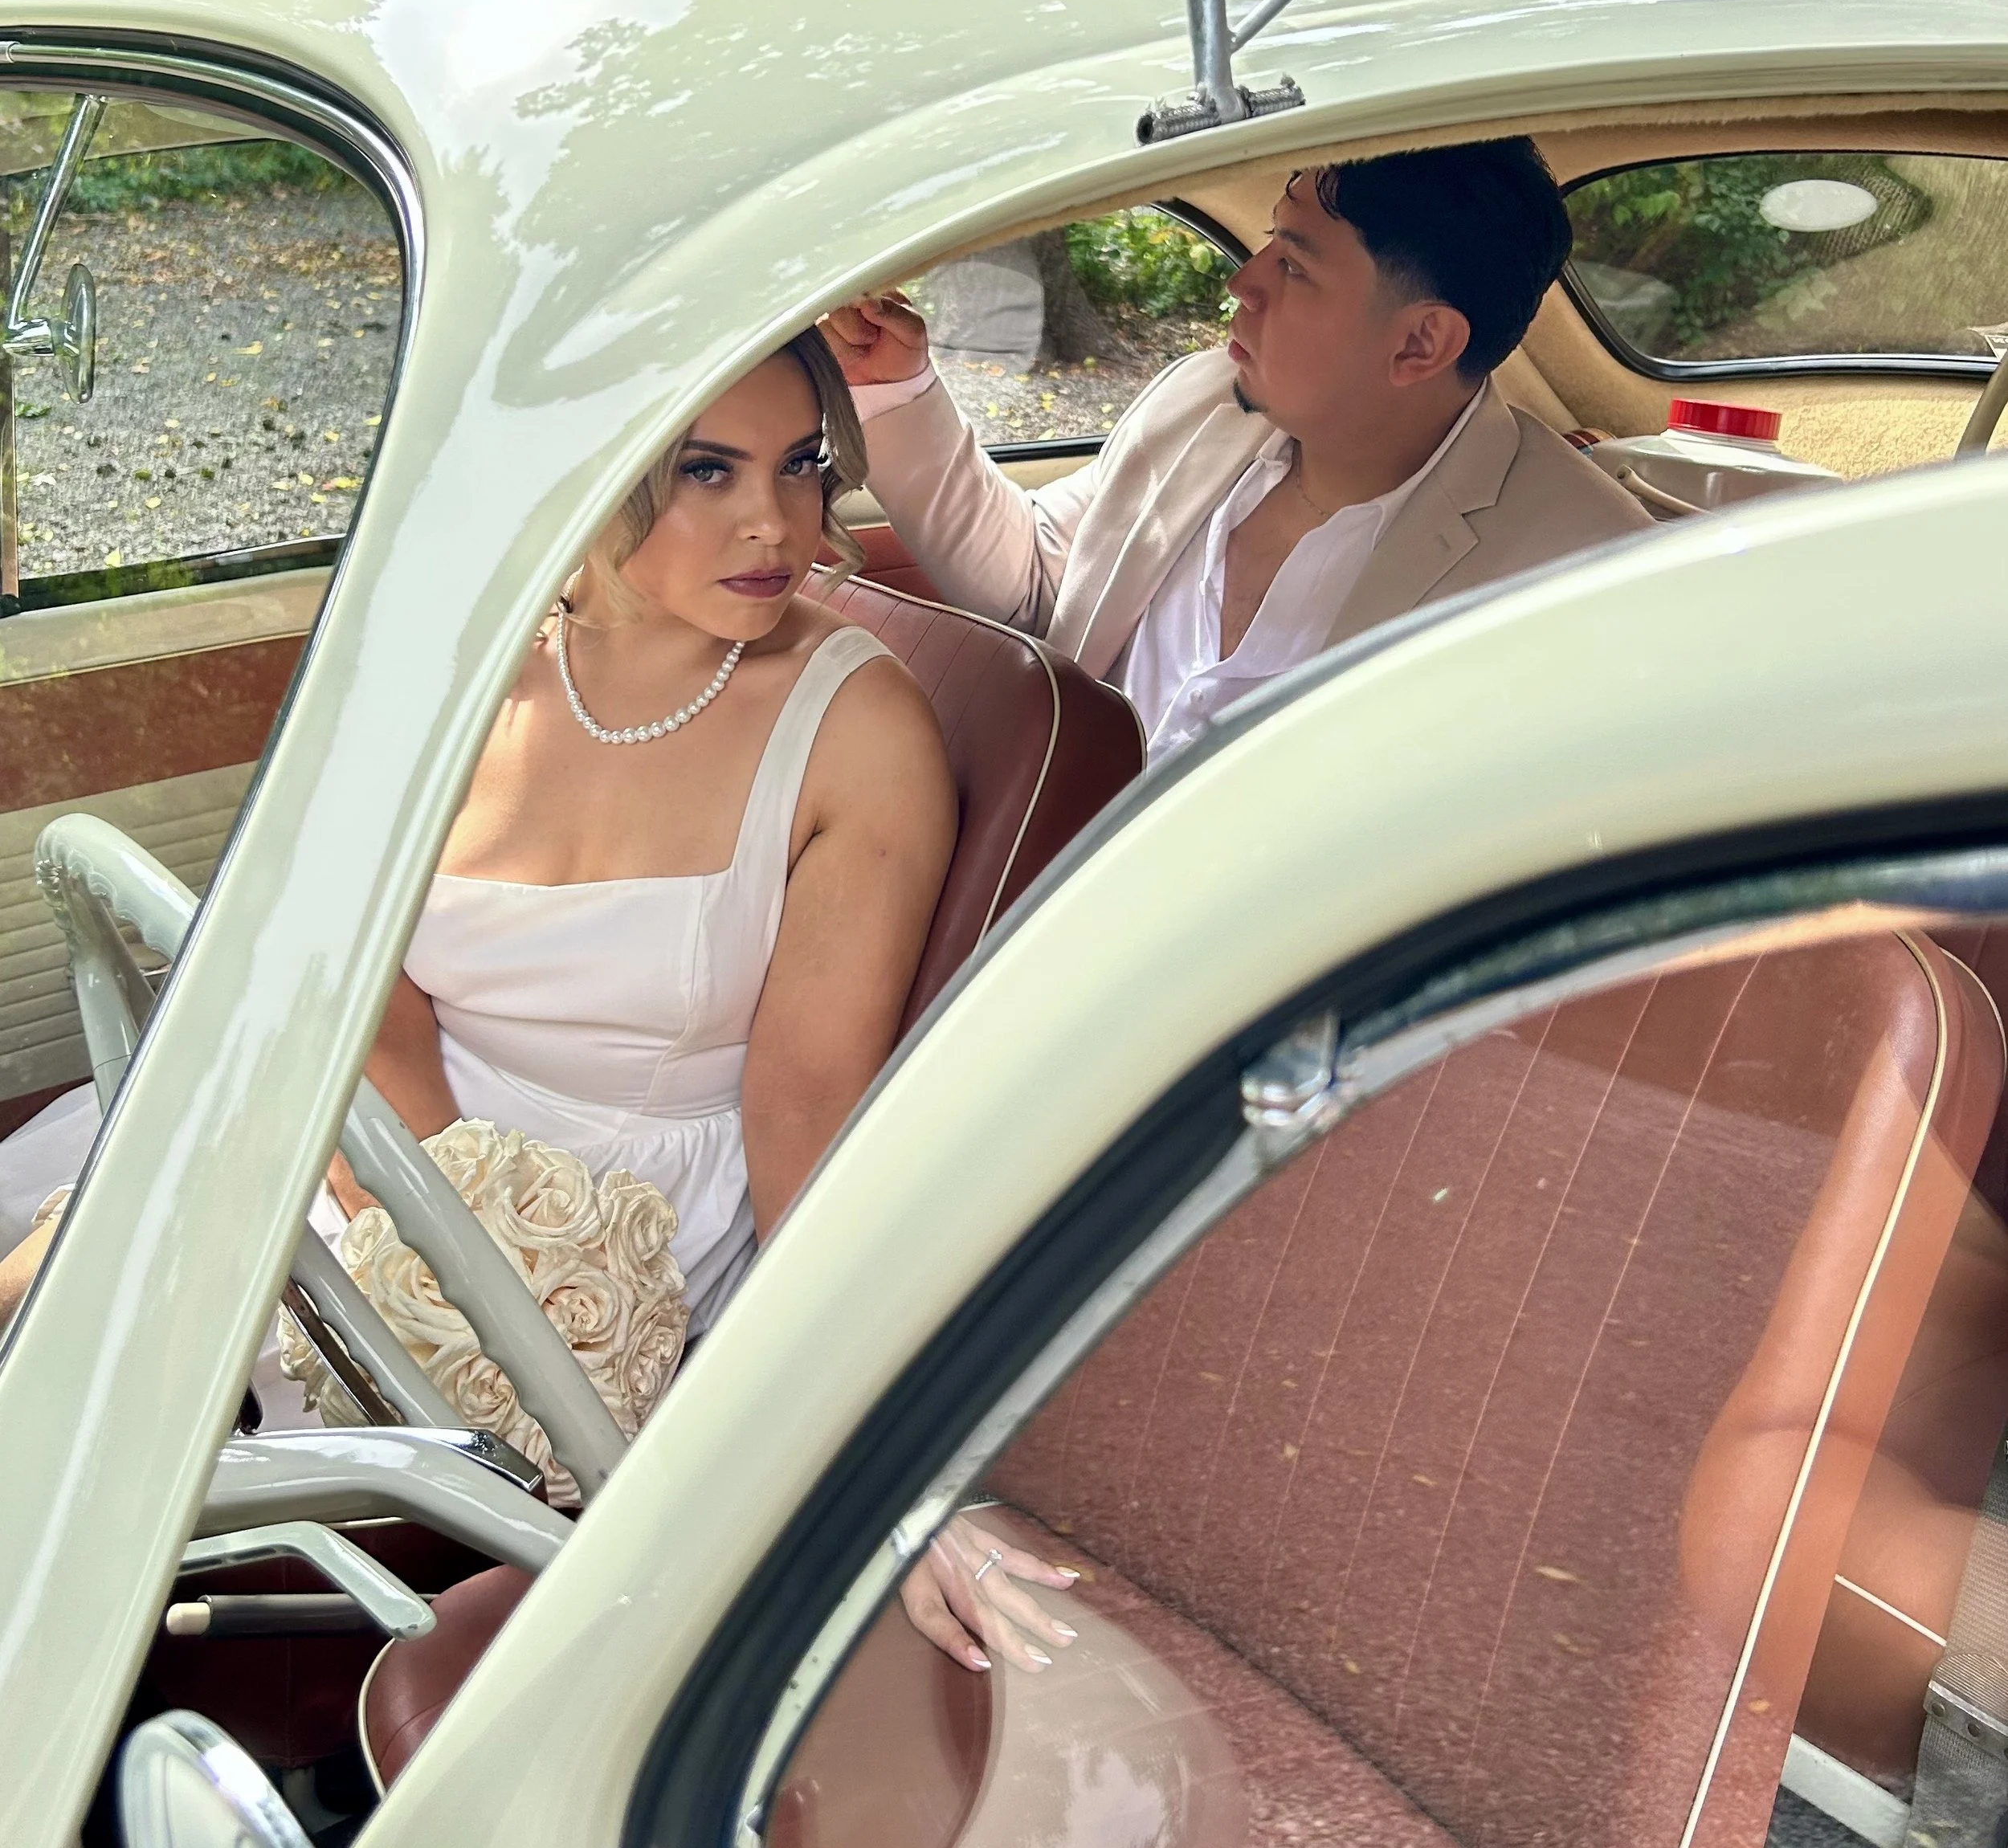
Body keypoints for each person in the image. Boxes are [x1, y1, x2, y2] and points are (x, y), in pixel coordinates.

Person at [0, 330, 958, 1359]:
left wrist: (816, 1388)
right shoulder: (471, 650)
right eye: (706, 470)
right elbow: (367, 979)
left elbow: (806, 1103)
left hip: (598, 1231)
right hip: (376, 1116)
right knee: (52, 1289)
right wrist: (406, 1199)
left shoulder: (860, 728)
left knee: (83, 1361)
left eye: (800, 465)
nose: (772, 523)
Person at [823, 141, 1651, 761]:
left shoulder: (1579, 578)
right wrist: (899, 393)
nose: (1240, 283)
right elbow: (1043, 590)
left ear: (1420, 343)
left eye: (1292, 265)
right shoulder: (1203, 402)